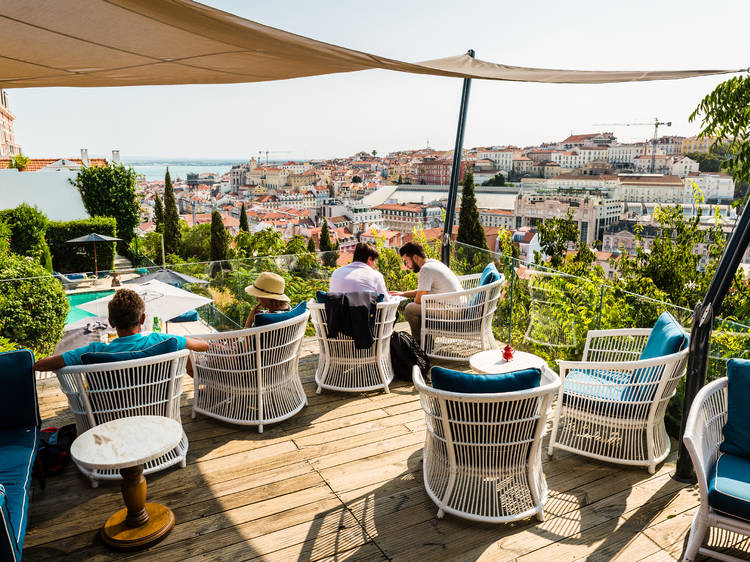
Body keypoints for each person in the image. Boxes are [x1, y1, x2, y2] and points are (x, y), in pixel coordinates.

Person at [34, 288, 209, 372]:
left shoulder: (93, 351)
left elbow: (41, 365)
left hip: (111, 414)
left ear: (111, 322)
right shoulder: (163, 341)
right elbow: (203, 346)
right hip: (157, 408)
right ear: (142, 319)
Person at [389, 241, 462, 345]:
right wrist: (402, 293)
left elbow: (418, 300)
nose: (407, 266)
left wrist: (415, 298)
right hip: (456, 308)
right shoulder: (433, 263)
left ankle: (418, 344)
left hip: (451, 312)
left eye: (406, 261)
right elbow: (422, 291)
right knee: (418, 308)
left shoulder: (426, 269)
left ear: (415, 257)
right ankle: (426, 343)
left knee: (410, 309)